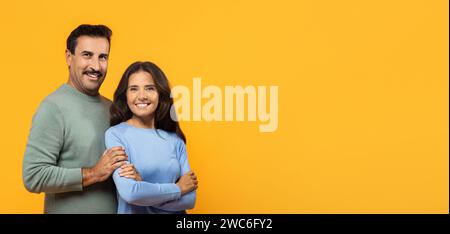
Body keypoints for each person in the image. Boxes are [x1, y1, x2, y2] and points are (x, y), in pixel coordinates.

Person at [22, 24, 140, 213]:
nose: (95, 66)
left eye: (103, 57)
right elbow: (34, 176)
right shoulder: (53, 108)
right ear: (69, 58)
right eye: (87, 55)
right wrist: (94, 173)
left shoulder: (114, 109)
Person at [105, 61, 198, 214]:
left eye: (149, 88)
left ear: (160, 94)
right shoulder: (116, 135)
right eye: (133, 89)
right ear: (125, 95)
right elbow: (131, 193)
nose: (141, 96)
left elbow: (189, 200)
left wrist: (144, 188)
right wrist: (178, 188)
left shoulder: (175, 140)